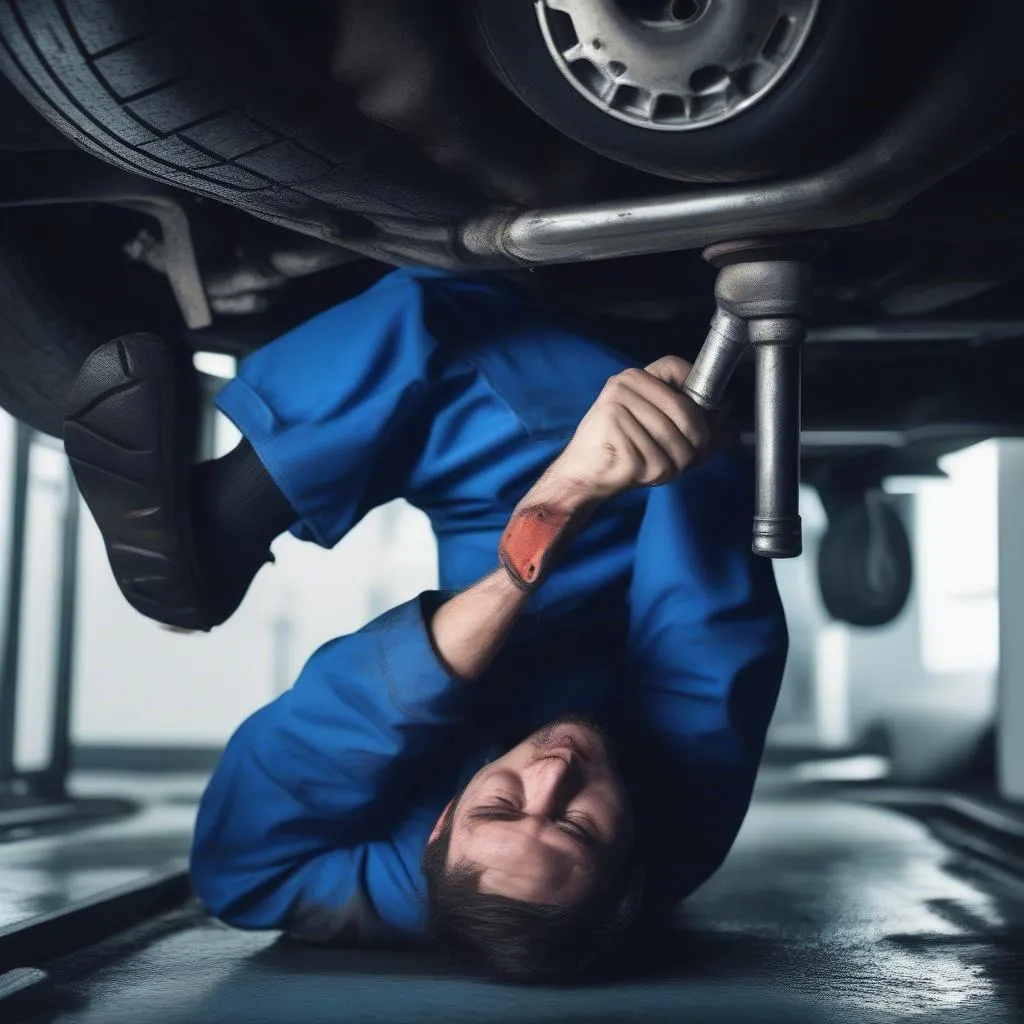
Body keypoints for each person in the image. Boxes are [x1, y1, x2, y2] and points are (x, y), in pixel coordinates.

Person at [64, 267, 788, 984]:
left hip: (510, 522)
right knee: (446, 333)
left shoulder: (446, 883)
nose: (552, 775)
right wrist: (684, 437)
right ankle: (222, 523)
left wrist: (559, 495)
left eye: (502, 805)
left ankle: (216, 519)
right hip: (630, 516)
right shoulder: (684, 813)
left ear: (439, 828)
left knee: (422, 323)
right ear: (632, 854)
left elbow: (241, 872)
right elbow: (700, 617)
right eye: (577, 824)